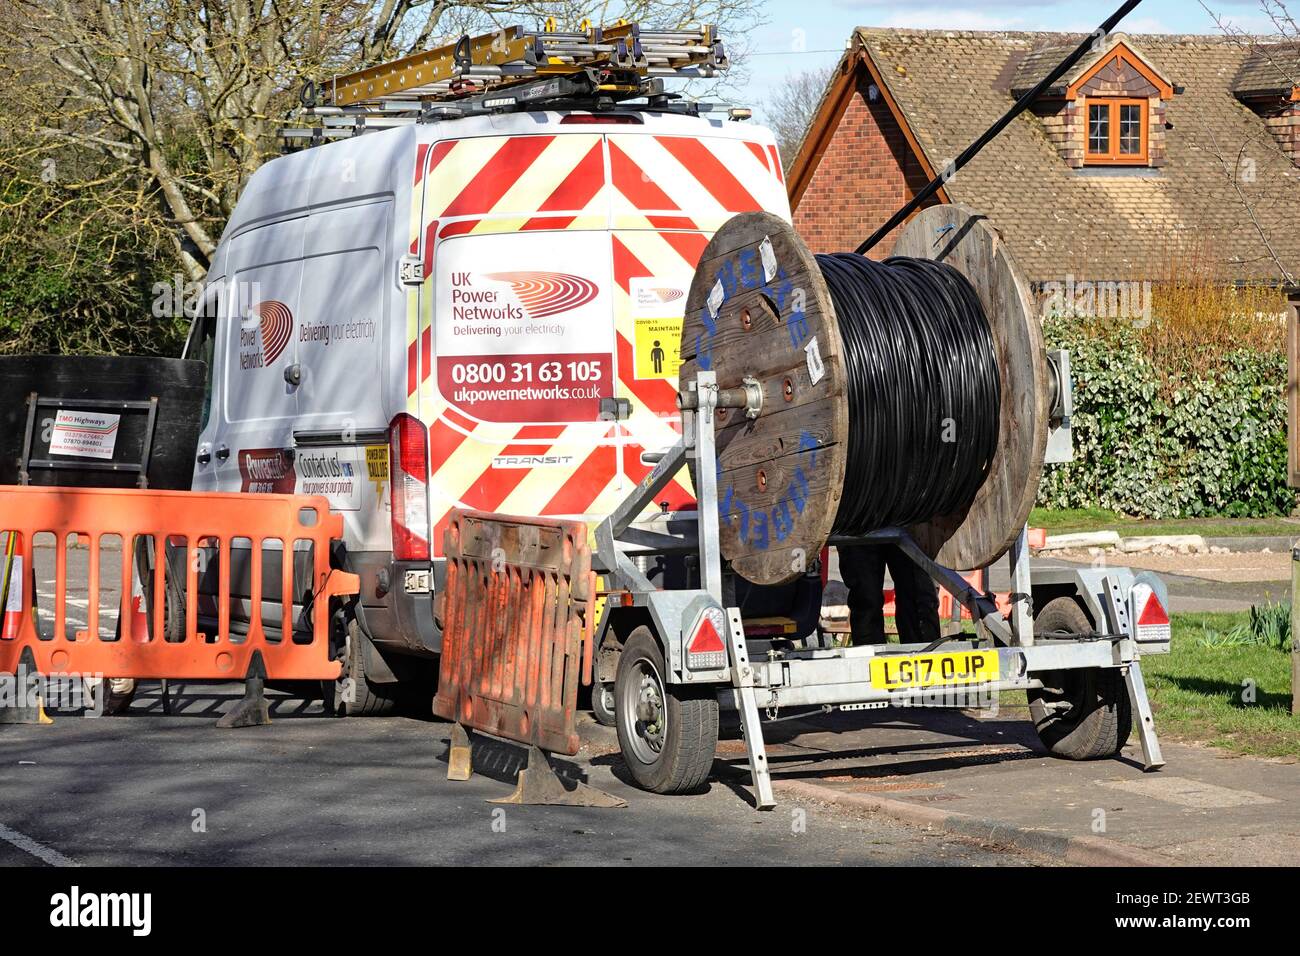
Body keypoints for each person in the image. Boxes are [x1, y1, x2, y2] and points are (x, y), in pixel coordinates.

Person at [838, 544, 940, 646]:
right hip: (858, 533)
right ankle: (869, 659)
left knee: (919, 601)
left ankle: (925, 656)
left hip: (909, 530)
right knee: (866, 601)